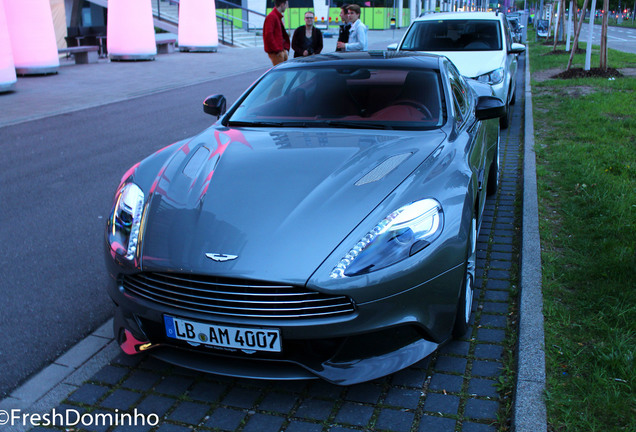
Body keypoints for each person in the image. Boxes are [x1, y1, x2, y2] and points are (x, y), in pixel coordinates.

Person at [263, 0, 291, 66]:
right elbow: (268, 35)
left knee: (282, 72)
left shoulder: (276, 16)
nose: (286, 7)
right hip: (277, 52)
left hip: (280, 50)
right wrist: (277, 50)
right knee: (280, 74)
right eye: (286, 5)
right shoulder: (272, 17)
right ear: (282, 4)